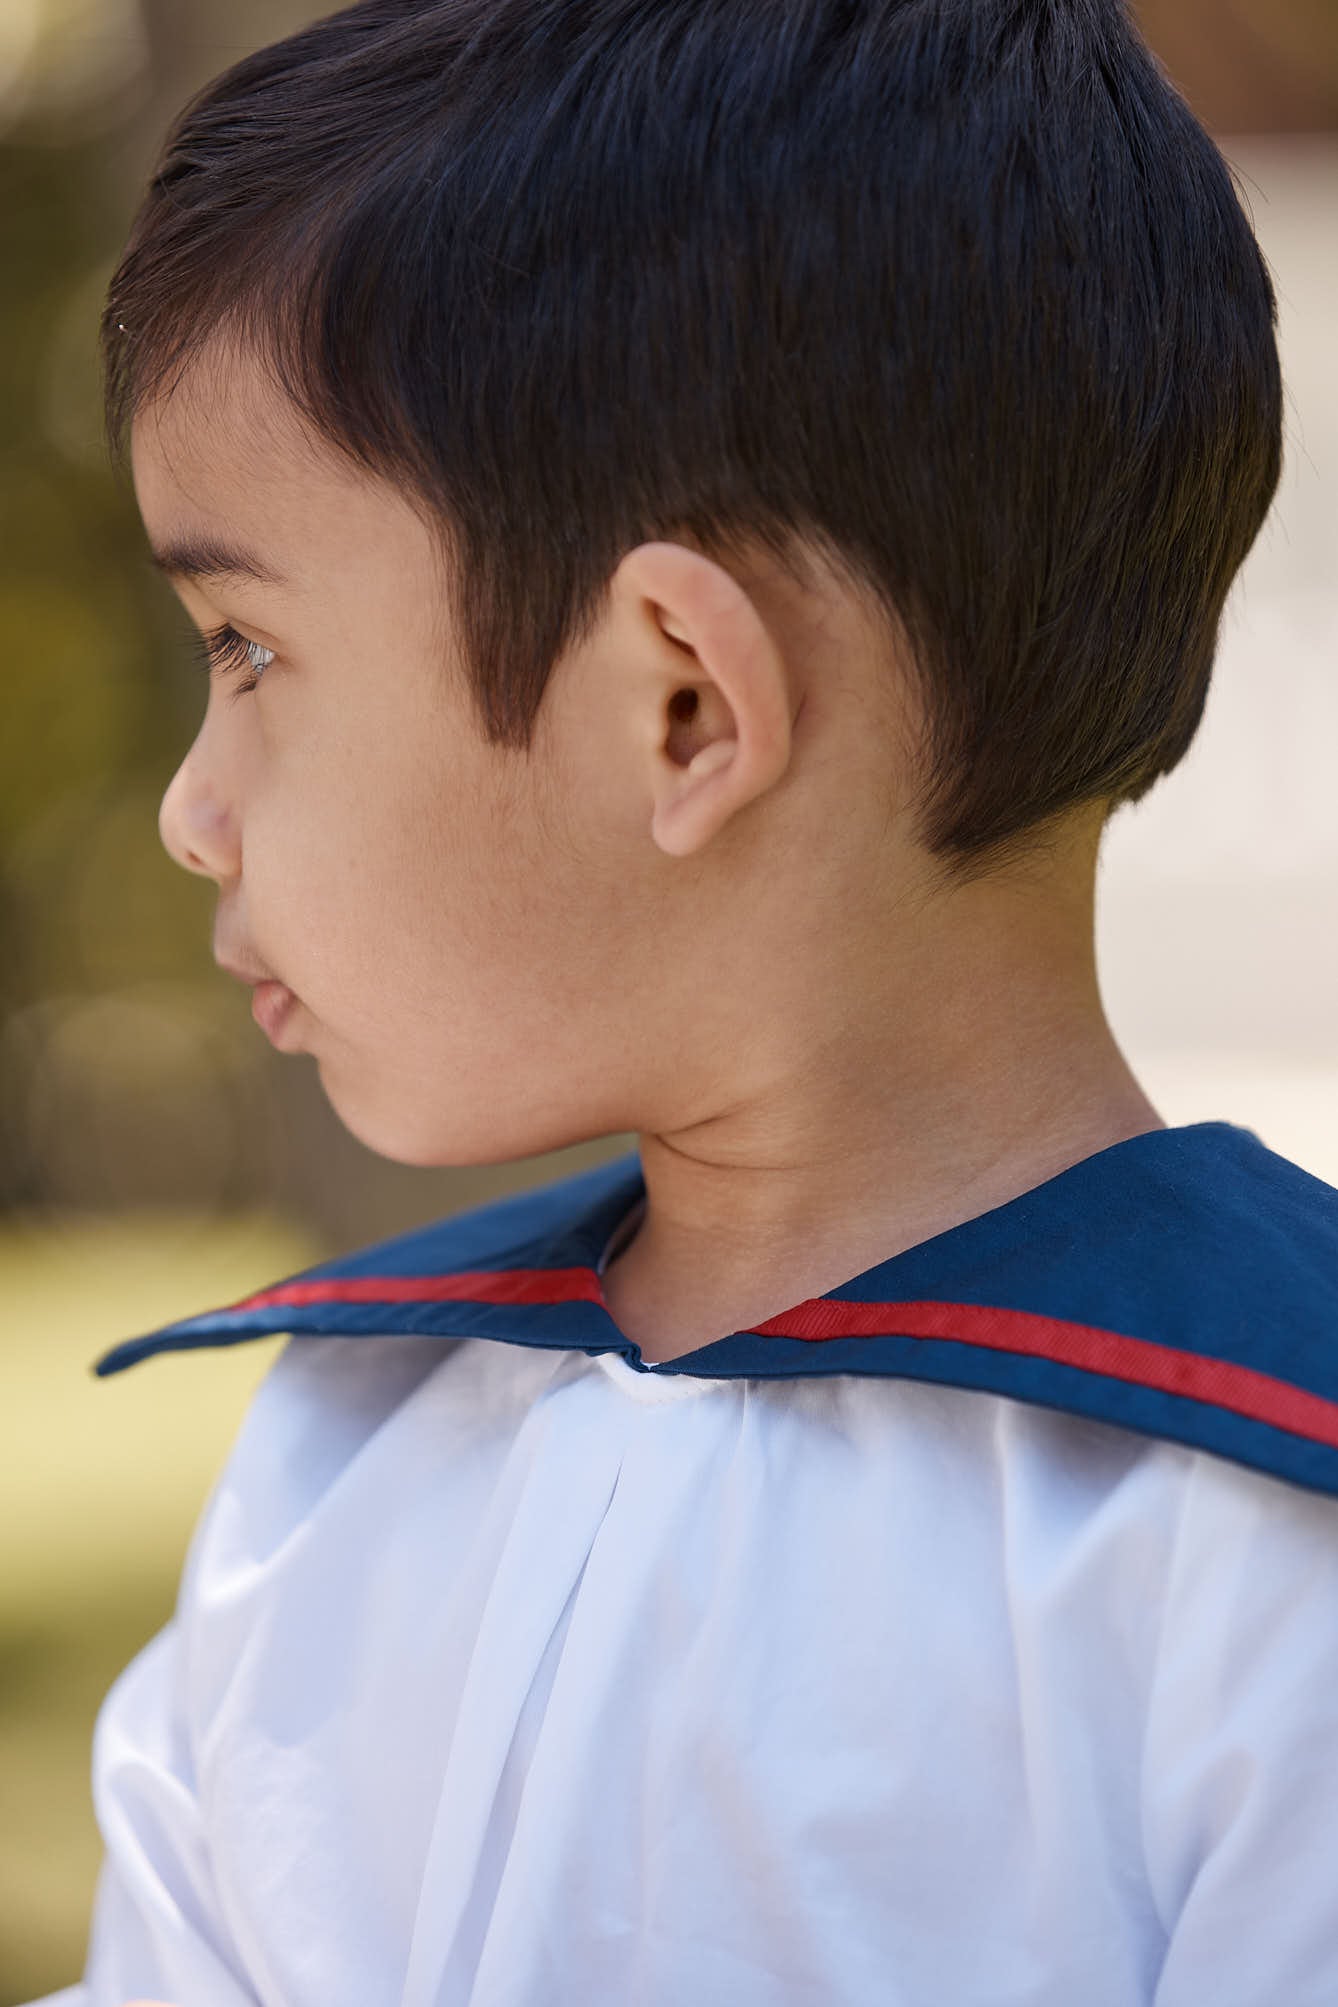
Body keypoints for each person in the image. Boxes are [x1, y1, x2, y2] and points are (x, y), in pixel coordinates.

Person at [32, 0, 1338, 2001]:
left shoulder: (1258, 1520)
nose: (192, 813)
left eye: (249, 649)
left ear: (683, 707)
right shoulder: (345, 1455)